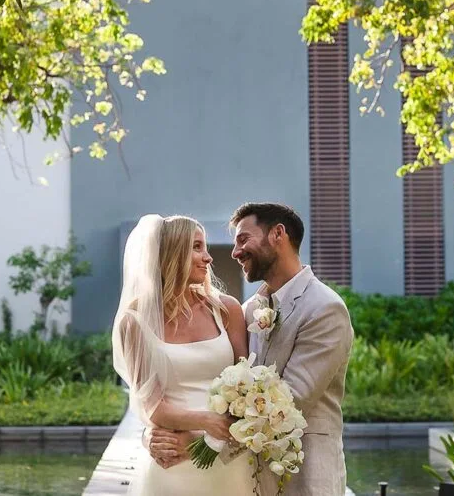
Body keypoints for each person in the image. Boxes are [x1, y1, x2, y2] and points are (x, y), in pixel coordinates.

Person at [148, 203, 354, 495]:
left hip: (303, 474)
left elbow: (291, 400)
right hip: (247, 476)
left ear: (278, 235)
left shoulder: (325, 309)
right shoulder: (249, 309)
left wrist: (199, 441)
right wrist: (157, 434)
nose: (235, 252)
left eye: (243, 239)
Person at [112, 214, 252, 495]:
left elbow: (248, 387)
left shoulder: (227, 310)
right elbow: (152, 405)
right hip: (172, 459)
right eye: (197, 247)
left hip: (229, 457)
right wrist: (205, 423)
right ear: (171, 253)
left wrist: (208, 439)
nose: (208, 258)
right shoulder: (135, 322)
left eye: (206, 247)